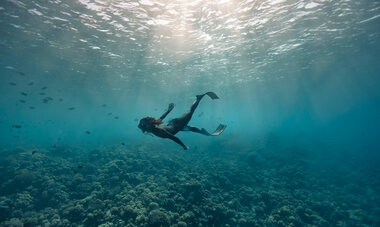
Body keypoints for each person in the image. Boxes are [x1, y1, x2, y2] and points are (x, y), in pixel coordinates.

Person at [138, 92, 227, 150]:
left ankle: (198, 98)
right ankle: (202, 132)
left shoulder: (158, 130)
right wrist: (168, 111)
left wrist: (183, 146)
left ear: (148, 126)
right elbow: (161, 118)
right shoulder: (154, 126)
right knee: (190, 128)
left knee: (190, 112)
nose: (144, 128)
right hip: (174, 125)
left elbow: (174, 138)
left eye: (144, 125)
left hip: (177, 124)